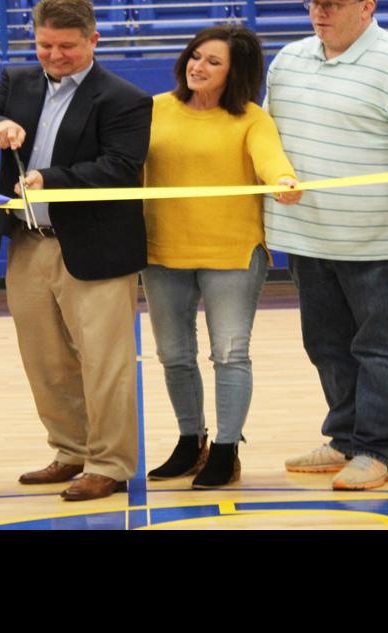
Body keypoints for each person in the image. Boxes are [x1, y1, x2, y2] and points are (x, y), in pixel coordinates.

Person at [0, 0, 151, 501]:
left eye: (66, 46)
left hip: (98, 248)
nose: (54, 55)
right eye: (45, 45)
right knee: (45, 360)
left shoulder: (124, 98)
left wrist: (51, 180)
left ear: (93, 41)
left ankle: (110, 463)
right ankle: (70, 451)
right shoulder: (17, 81)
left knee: (105, 363)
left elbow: (120, 167)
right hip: (27, 242)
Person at [265, 0, 388, 490]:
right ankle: (346, 437)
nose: (319, 12)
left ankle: (377, 449)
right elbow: (266, 137)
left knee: (383, 347)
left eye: (332, 4)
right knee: (326, 344)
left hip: (382, 238)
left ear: (367, 6)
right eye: (314, 3)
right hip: (310, 235)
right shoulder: (288, 59)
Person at [141, 26, 302, 490]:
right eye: (195, 55)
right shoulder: (154, 109)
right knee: (174, 355)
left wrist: (283, 181)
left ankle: (227, 449)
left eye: (214, 61)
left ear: (237, 72)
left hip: (232, 252)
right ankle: (191, 441)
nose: (198, 66)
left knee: (230, 353)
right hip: (161, 251)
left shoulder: (252, 118)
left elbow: (271, 159)